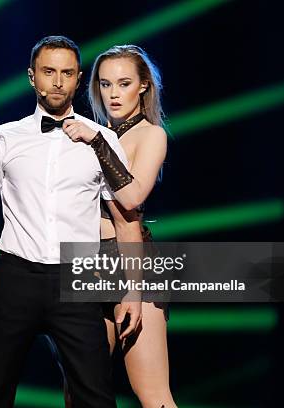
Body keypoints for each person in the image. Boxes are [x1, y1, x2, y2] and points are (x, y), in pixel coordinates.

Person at [0, 35, 143, 408]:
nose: (58, 81)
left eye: (67, 73)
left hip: (77, 279)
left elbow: (126, 219)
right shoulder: (3, 138)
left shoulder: (103, 140)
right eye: (49, 72)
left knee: (96, 397)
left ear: (78, 79)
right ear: (32, 76)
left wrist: (133, 290)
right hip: (15, 277)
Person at [62, 44, 175, 408]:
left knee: (153, 394)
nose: (113, 94)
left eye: (123, 83)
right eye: (105, 84)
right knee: (80, 393)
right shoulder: (89, 134)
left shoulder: (149, 134)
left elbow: (132, 197)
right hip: (84, 263)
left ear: (142, 85)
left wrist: (96, 141)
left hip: (130, 262)